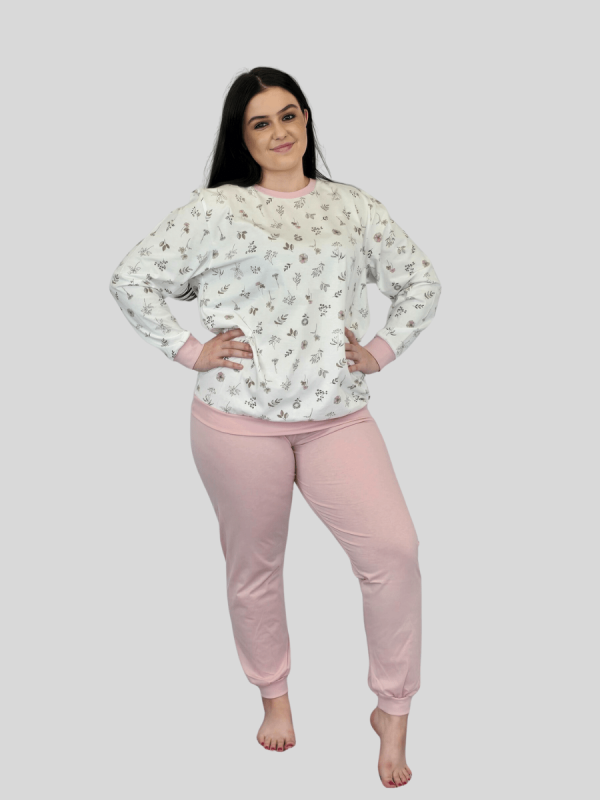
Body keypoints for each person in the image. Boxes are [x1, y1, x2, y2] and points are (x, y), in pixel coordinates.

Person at [108, 66, 442, 789]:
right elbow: (132, 279)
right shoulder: (215, 209)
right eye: (261, 122)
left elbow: (421, 280)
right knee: (255, 566)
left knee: (395, 553)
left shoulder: (352, 207)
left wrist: (380, 349)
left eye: (289, 114)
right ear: (243, 137)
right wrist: (190, 350)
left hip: (337, 418)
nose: (280, 131)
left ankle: (392, 709)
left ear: (307, 120)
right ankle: (275, 696)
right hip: (235, 422)